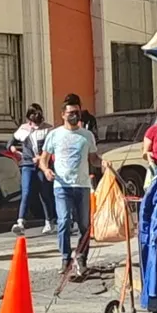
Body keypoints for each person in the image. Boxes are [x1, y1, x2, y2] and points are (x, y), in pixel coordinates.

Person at [38, 96, 101, 279]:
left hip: (81, 185)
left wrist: (103, 163)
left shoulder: (87, 135)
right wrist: (46, 170)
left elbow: (93, 158)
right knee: (64, 220)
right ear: (63, 115)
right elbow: (43, 159)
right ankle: (66, 258)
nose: (75, 116)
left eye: (77, 112)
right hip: (62, 186)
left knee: (84, 225)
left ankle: (81, 258)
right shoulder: (54, 135)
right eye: (71, 113)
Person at [8, 103, 56, 236]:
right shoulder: (23, 129)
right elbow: (10, 143)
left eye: (38, 114)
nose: (36, 118)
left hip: (43, 165)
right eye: (33, 115)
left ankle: (49, 221)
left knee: (44, 192)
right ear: (29, 118)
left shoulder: (48, 129)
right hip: (27, 164)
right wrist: (14, 150)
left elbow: (52, 148)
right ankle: (20, 222)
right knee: (26, 191)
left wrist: (41, 158)